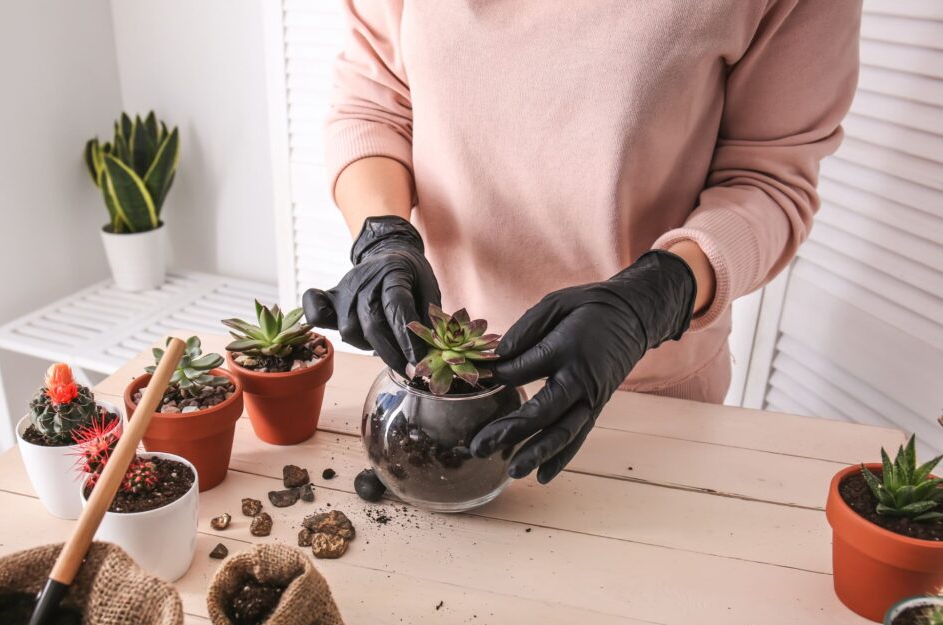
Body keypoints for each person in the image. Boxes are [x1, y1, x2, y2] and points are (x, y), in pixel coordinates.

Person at [303, 1, 861, 484]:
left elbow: (769, 179)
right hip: (441, 381)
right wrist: (384, 236)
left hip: (642, 397)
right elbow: (374, 103)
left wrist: (655, 297)